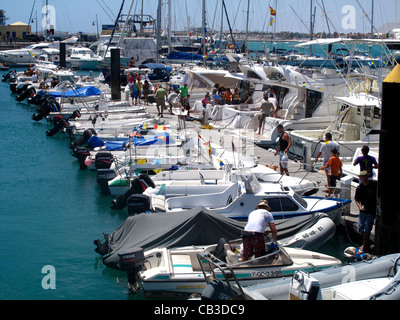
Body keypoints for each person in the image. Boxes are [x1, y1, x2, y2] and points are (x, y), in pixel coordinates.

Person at [355, 170, 378, 254]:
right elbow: (356, 199)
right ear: (360, 178)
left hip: (371, 211)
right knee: (361, 228)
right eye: (362, 177)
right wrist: (359, 206)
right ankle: (366, 244)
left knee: (367, 228)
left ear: (368, 176)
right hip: (363, 211)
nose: (364, 178)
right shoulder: (359, 188)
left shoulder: (374, 184)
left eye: (365, 176)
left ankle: (364, 247)